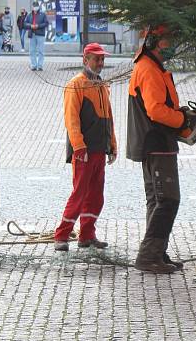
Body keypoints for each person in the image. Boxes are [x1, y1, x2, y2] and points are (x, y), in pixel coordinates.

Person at [127, 25, 196, 273]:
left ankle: (156, 251)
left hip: (157, 141)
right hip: (156, 142)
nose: (172, 45)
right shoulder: (148, 69)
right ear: (156, 42)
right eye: (168, 40)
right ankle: (149, 256)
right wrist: (182, 120)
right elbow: (156, 110)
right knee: (168, 200)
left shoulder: (153, 67)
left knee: (157, 201)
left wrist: (180, 117)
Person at [53, 43, 118, 251]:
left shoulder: (102, 84)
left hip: (99, 149)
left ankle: (87, 235)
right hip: (84, 151)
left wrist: (112, 145)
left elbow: (108, 118)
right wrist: (79, 147)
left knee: (96, 195)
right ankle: (61, 235)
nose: (100, 63)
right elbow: (71, 119)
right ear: (85, 59)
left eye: (102, 59)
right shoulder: (76, 84)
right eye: (96, 59)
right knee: (79, 194)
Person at [26, 1, 48, 71]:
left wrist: (38, 26)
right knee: (32, 51)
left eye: (36, 6)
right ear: (32, 7)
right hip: (32, 34)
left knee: (40, 51)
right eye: (34, 6)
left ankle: (40, 65)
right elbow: (25, 23)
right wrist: (30, 25)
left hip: (40, 34)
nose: (35, 7)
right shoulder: (29, 15)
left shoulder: (42, 14)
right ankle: (34, 65)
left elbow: (46, 23)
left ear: (38, 7)